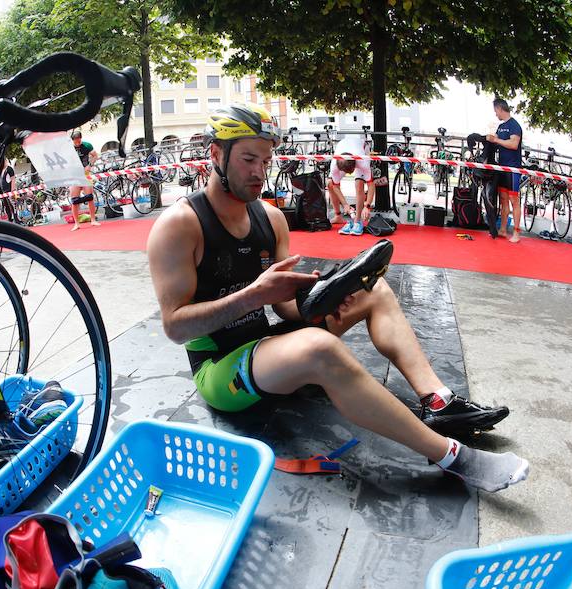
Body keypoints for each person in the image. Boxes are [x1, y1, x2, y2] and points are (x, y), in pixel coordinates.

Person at [146, 103, 528, 493]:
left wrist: (327, 297)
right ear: (216, 155)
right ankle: (452, 457)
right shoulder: (180, 224)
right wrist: (250, 297)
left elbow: (284, 307)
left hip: (265, 347)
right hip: (219, 369)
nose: (259, 172)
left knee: (372, 290)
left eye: (266, 160)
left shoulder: (271, 218)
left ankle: (439, 400)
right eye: (248, 159)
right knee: (319, 347)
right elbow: (175, 327)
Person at [486, 99, 523, 243]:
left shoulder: (514, 125)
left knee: (514, 200)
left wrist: (496, 140)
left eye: (495, 111)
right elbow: (495, 143)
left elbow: (514, 144)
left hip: (513, 169)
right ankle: (502, 229)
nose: (495, 114)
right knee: (503, 200)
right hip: (501, 167)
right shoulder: (500, 127)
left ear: (500, 108)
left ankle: (516, 233)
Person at [328, 135, 373, 236]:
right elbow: (335, 186)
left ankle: (357, 221)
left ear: (354, 166)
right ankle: (338, 216)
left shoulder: (362, 162)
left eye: (350, 172)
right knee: (329, 183)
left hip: (362, 149)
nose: (348, 174)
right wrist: (345, 205)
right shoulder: (334, 165)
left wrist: (367, 206)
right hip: (344, 149)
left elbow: (371, 185)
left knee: (359, 184)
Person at [70, 130, 99, 231]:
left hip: (86, 174)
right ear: (72, 140)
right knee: (75, 200)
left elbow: (95, 155)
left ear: (80, 139)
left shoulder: (87, 145)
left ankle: (93, 220)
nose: (77, 143)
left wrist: (90, 166)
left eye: (78, 141)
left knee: (89, 197)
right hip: (74, 176)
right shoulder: (69, 147)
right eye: (75, 141)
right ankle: (76, 223)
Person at [0, 157, 18, 223]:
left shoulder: (9, 168)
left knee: (12, 205)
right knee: (6, 205)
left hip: (9, 190)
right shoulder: (1, 171)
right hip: (3, 191)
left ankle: (16, 218)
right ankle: (10, 218)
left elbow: (13, 179)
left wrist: (12, 190)